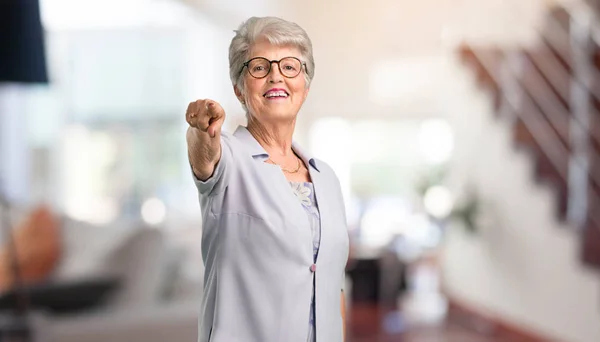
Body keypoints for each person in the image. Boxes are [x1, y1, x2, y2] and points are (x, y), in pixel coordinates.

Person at [185, 16, 350, 342]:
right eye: (259, 67)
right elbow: (204, 157)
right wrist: (200, 128)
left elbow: (333, 288)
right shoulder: (230, 161)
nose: (276, 75)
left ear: (305, 86)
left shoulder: (326, 178)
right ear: (240, 89)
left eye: (290, 66)